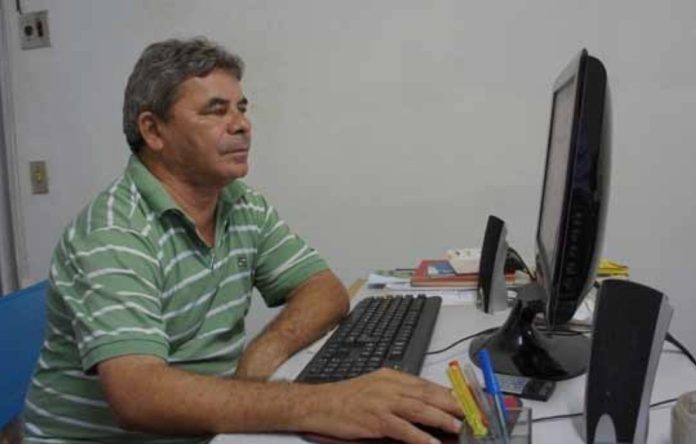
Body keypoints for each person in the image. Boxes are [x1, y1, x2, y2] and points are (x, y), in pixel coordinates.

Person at [23, 37, 462, 444]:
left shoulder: (240, 203)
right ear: (154, 131)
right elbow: (138, 396)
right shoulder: (113, 232)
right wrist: (323, 403)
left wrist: (264, 352)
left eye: (242, 108)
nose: (242, 125)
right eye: (216, 111)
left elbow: (323, 289)